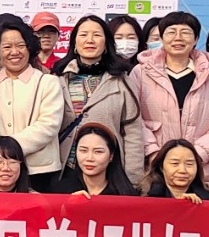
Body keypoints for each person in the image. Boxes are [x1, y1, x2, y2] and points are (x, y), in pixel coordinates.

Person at [128, 11, 209, 197]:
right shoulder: (141, 72)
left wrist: (194, 157)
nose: (178, 38)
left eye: (185, 32)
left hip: (201, 172)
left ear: (196, 39)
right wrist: (155, 154)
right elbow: (132, 118)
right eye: (171, 32)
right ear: (162, 37)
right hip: (154, 170)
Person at [53, 14, 144, 187]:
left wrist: (133, 179)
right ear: (74, 43)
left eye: (96, 35)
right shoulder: (58, 78)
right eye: (83, 35)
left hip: (107, 173)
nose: (90, 40)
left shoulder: (122, 80)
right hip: (64, 170)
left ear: (106, 44)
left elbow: (133, 132)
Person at [0, 19, 66, 192]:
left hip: (39, 171)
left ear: (29, 48)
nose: (14, 52)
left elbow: (48, 125)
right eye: (7, 47)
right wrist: (0, 152)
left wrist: (9, 150)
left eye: (20, 45)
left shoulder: (48, 82)